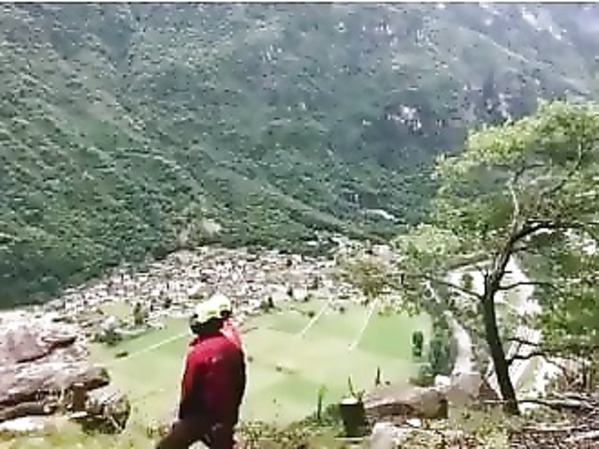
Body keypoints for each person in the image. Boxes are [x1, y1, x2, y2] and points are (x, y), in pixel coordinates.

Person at [156, 300, 246, 449]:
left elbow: (189, 388)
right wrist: (232, 414)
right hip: (226, 415)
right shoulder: (232, 347)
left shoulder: (197, 354)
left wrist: (183, 417)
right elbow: (240, 381)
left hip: (201, 416)